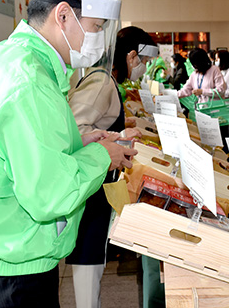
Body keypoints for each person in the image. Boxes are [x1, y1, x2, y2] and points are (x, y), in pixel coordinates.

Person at [0, 0, 137, 307]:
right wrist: (100, 155)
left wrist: (81, 142)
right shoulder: (30, 81)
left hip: (3, 251)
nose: (96, 40)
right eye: (95, 28)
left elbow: (28, 149)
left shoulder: (20, 57)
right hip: (10, 268)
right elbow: (49, 195)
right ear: (63, 15)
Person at [66, 26, 152, 308]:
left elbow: (94, 126)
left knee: (95, 262)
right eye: (144, 62)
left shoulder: (105, 79)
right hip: (90, 187)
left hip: (98, 181)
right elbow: (73, 132)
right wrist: (116, 140)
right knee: (88, 265)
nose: (144, 69)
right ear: (130, 56)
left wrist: (119, 136)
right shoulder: (102, 82)